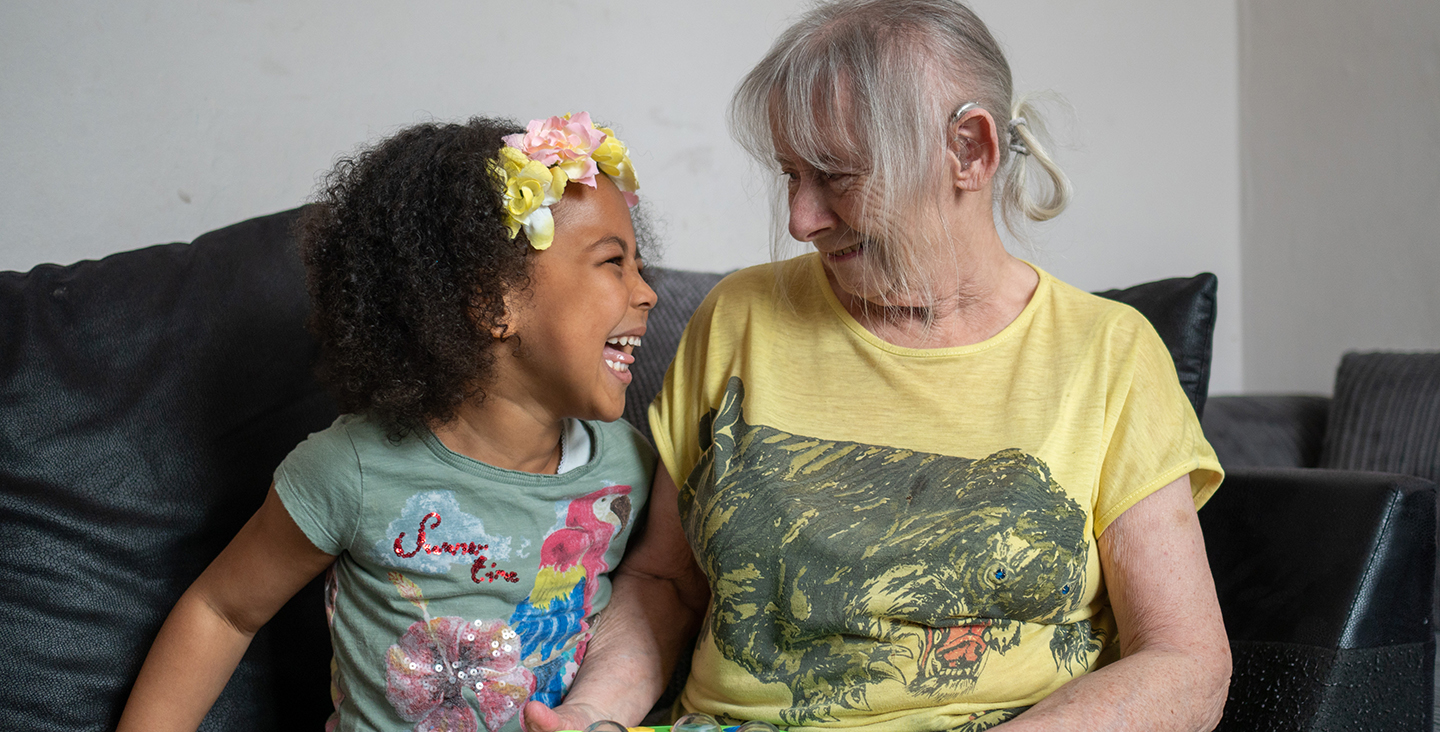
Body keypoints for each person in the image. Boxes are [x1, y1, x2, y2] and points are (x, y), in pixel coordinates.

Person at [525, 1, 1230, 731]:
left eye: (836, 175)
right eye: (790, 175)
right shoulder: (736, 318)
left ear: (970, 151)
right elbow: (667, 581)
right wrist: (591, 714)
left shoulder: (1110, 353)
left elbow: (1186, 664)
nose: (801, 219)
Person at [117, 113, 659, 732]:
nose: (647, 293)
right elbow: (222, 611)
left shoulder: (629, 467)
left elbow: (659, 597)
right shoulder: (352, 469)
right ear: (492, 302)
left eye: (639, 265)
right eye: (614, 263)